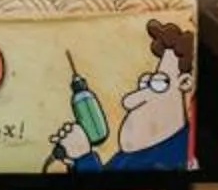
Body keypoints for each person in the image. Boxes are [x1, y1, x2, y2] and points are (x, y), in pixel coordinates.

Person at [47, 18, 193, 175]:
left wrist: (84, 156)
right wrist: (75, 160)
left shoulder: (174, 157)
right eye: (145, 83)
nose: (128, 102)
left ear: (184, 83)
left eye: (158, 83)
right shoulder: (129, 158)